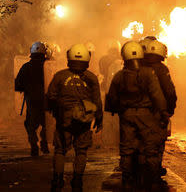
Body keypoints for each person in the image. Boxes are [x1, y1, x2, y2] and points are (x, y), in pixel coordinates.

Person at [105, 41, 169, 191]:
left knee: (127, 150)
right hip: (146, 115)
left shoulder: (120, 76)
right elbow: (157, 95)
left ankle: (127, 181)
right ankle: (153, 181)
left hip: (126, 115)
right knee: (150, 150)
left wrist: (117, 110)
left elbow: (112, 99)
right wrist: (163, 112)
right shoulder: (148, 73)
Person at [46, 44, 103, 192]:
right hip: (83, 120)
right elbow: (97, 101)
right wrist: (99, 118)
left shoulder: (60, 76)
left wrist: (56, 111)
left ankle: (57, 179)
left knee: (60, 150)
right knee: (81, 151)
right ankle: (77, 180)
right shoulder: (91, 78)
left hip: (63, 119)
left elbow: (50, 97)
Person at [140, 38, 177, 175]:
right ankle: (154, 171)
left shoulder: (139, 66)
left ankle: (141, 168)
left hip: (141, 110)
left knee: (141, 141)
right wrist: (170, 109)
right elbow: (169, 91)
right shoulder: (162, 69)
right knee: (158, 142)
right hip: (157, 111)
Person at [15, 41, 50, 156]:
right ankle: (44, 144)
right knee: (47, 123)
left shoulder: (26, 67)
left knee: (30, 124)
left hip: (32, 100)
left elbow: (18, 85)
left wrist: (26, 88)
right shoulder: (48, 66)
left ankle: (34, 145)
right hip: (47, 100)